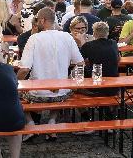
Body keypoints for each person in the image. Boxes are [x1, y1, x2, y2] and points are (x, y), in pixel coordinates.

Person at [17, 7, 84, 137]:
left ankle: (30, 123)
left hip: (38, 94)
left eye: (36, 20)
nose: (36, 22)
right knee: (59, 92)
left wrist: (15, 82)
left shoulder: (34, 38)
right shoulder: (66, 36)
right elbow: (80, 63)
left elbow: (24, 69)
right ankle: (52, 121)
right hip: (62, 92)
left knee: (15, 95)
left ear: (42, 20)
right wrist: (70, 78)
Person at [79, 22, 119, 95]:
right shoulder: (113, 43)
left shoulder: (88, 45)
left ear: (94, 33)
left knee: (77, 71)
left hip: (96, 87)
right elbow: (118, 59)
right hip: (114, 88)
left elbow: (79, 61)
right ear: (107, 33)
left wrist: (82, 41)